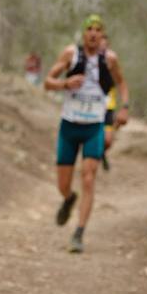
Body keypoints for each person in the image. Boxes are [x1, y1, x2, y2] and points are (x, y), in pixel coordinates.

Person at [43, 14, 128, 253]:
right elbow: (47, 82)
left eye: (97, 29)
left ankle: (79, 233)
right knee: (63, 184)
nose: (93, 33)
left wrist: (125, 107)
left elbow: (122, 84)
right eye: (89, 28)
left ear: (102, 35)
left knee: (89, 177)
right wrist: (65, 84)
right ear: (83, 33)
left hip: (94, 127)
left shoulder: (110, 59)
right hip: (69, 126)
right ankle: (69, 198)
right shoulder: (71, 54)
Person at [99, 33, 125, 171]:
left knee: (108, 140)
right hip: (93, 106)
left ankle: (101, 152)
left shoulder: (112, 59)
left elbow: (120, 81)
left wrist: (124, 106)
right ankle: (95, 154)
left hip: (109, 104)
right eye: (100, 43)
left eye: (105, 44)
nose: (102, 46)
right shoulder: (88, 59)